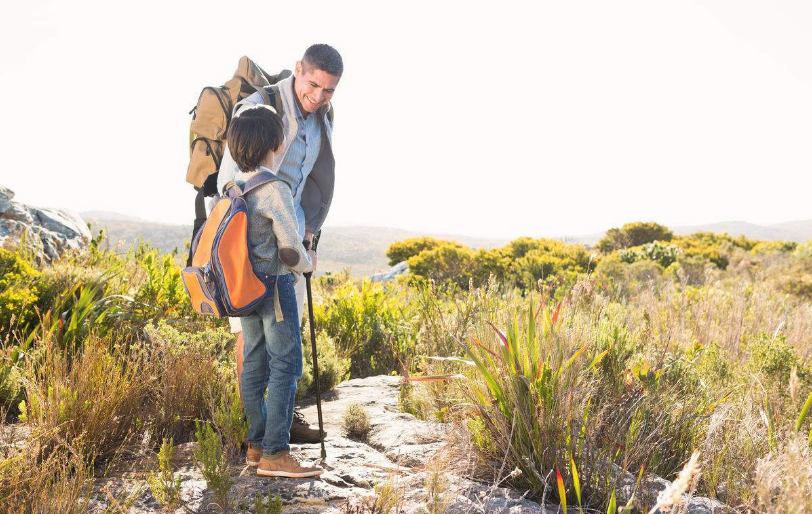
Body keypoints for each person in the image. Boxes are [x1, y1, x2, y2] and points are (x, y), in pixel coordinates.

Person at [217, 44, 342, 444]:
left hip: (294, 239)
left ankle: (279, 423)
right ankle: (260, 435)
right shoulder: (258, 107)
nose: (318, 96)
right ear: (298, 69)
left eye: (329, 90)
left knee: (285, 332)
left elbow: (311, 180)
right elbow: (227, 181)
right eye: (313, 84)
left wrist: (308, 235)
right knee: (259, 344)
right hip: (255, 251)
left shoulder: (323, 116)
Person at [226, 103, 323, 478]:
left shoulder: (233, 186)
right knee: (286, 366)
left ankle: (256, 446)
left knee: (254, 364)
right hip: (275, 288)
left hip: (246, 288)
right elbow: (290, 249)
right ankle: (276, 454)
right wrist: (309, 261)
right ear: (275, 142)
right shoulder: (274, 187)